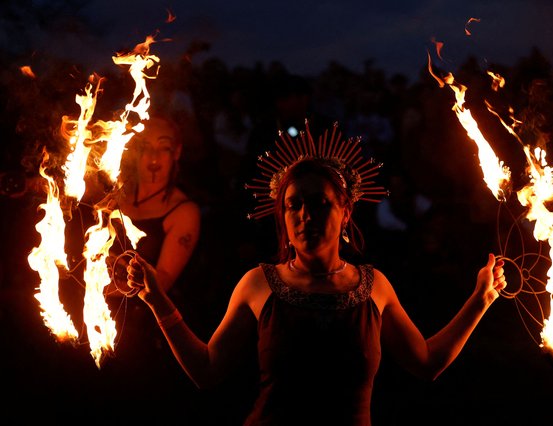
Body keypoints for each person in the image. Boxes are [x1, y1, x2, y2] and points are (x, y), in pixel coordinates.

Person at [124, 121, 506, 425]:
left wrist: (481, 300)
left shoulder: (374, 287)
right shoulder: (258, 284)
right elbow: (207, 371)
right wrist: (157, 300)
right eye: (294, 205)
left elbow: (426, 363)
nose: (305, 215)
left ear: (346, 212)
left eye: (319, 203)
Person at [102, 113, 202, 396]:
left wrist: (109, 286)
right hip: (98, 316)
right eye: (145, 146)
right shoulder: (115, 196)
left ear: (177, 152)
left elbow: (164, 281)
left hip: (146, 329)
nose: (153, 155)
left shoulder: (183, 211)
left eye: (164, 146)